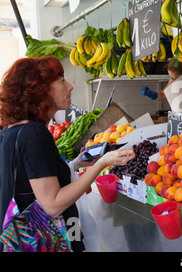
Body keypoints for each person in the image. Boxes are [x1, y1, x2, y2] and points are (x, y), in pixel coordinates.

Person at [0, 56, 135, 252]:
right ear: (41, 90)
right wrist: (102, 163)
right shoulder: (34, 134)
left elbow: (28, 182)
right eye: (62, 81)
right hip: (50, 240)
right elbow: (52, 205)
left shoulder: (10, 132)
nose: (70, 86)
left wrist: (74, 165)